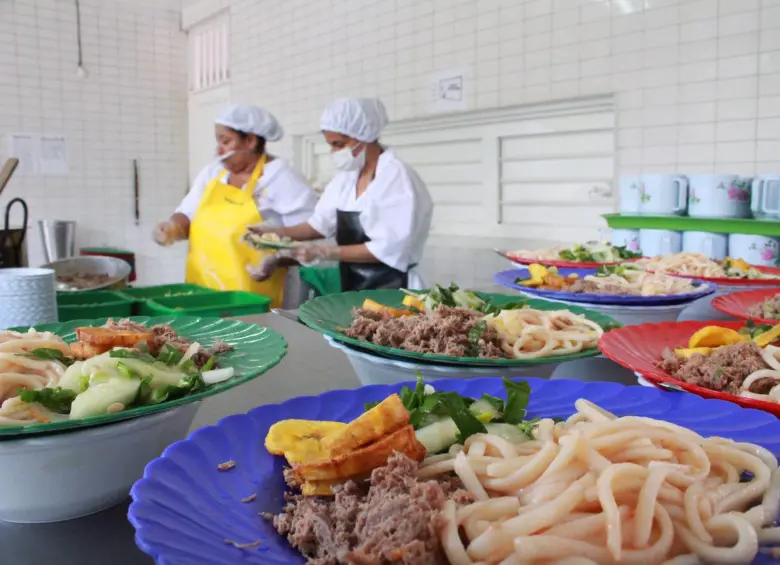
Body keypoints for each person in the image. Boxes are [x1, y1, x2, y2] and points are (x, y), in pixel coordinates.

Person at [247, 97, 433, 291]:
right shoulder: (347, 178)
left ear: (365, 136)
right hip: (354, 283)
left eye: (339, 144)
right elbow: (318, 225)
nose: (334, 152)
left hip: (395, 286)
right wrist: (275, 234)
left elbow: (387, 249)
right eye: (331, 145)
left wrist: (323, 251)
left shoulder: (396, 179)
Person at [154, 104, 318, 307]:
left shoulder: (282, 179)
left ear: (250, 140)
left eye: (226, 141)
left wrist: (277, 260)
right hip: (201, 294)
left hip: (254, 301)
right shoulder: (213, 173)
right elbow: (187, 214)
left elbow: (313, 239)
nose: (219, 150)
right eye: (218, 141)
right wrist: (172, 228)